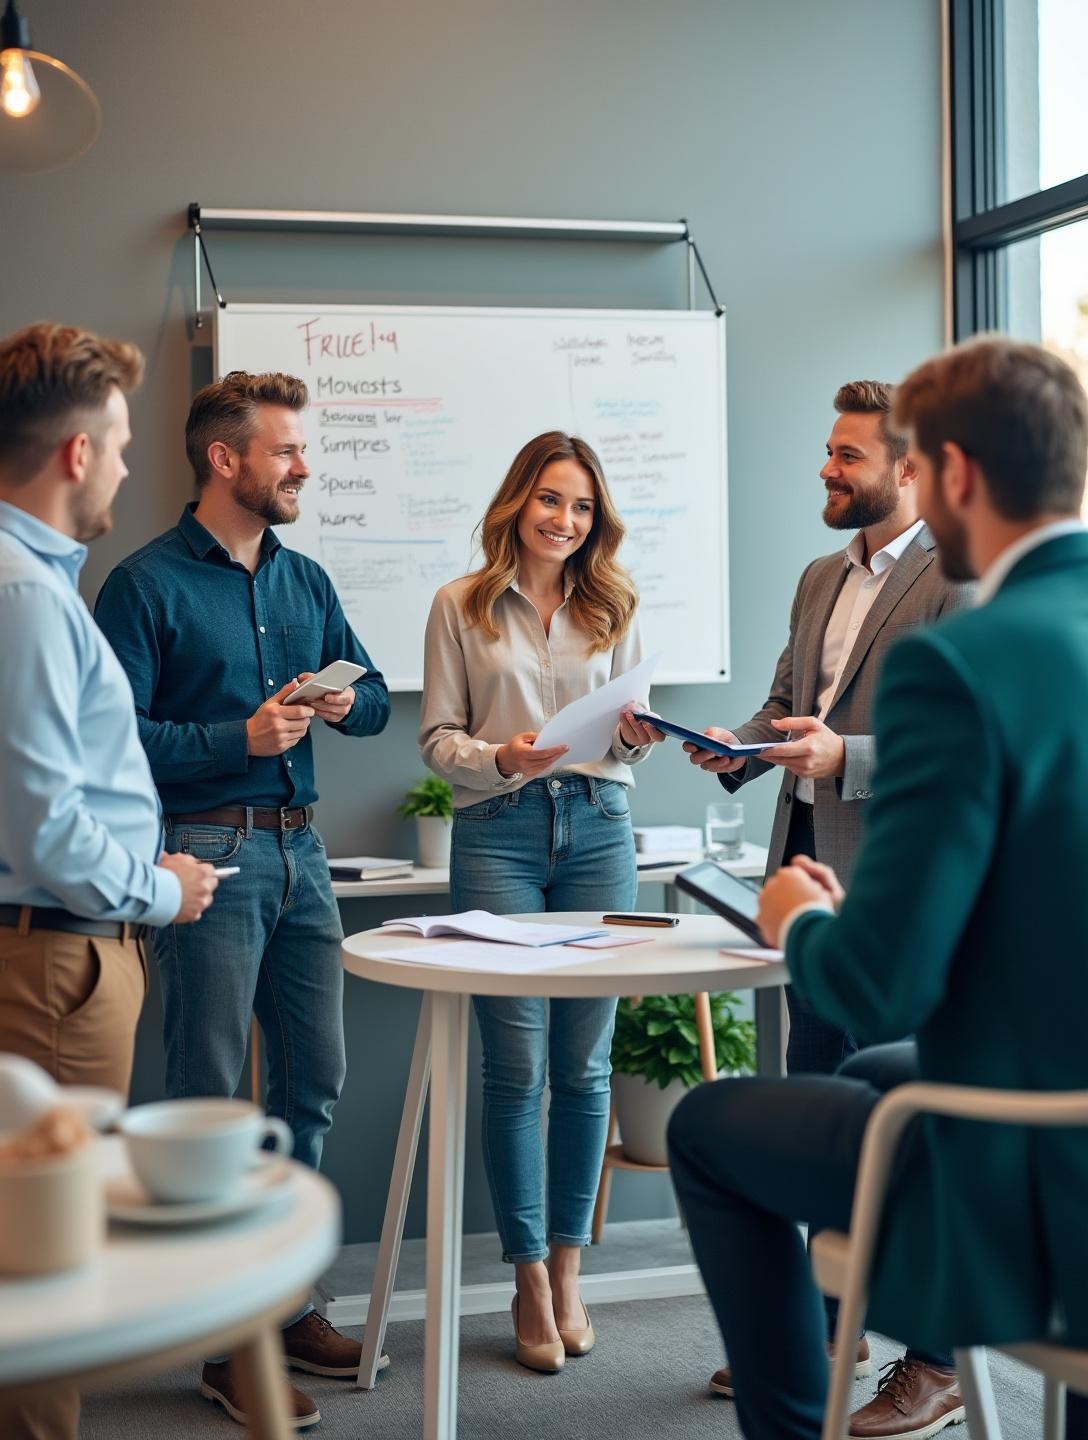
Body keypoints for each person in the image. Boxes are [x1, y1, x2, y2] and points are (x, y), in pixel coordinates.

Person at [669, 335, 1088, 1440]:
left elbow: (888, 977)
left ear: (941, 472)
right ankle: (831, 1332)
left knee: (709, 1126)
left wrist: (801, 921)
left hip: (1026, 1136)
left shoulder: (964, 661)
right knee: (859, 1064)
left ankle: (809, 1408)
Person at [94, 370, 391, 1429]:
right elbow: (114, 740)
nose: (304, 466)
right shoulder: (142, 586)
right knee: (209, 1099)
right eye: (286, 450)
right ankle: (221, 1339)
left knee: (312, 1082)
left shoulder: (304, 579)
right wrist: (239, 739)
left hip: (304, 857)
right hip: (204, 855)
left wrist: (349, 700)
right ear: (226, 459)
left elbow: (378, 704)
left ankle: (282, 1303)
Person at [686, 380, 971, 1430]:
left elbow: (959, 744)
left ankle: (933, 1360)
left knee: (909, 1120)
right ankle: (821, 1335)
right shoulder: (817, 577)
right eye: (825, 451)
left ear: (906, 470)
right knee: (824, 1103)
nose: (825, 468)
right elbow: (783, 703)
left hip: (899, 887)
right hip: (806, 876)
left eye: (846, 456)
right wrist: (726, 748)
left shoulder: (956, 579)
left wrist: (841, 754)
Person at [0, 322, 217, 1440]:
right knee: (44, 1278)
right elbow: (46, 832)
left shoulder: (30, 586)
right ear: (76, 453)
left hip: (57, 954)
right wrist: (161, 890)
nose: (131, 470)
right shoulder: (27, 600)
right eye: (123, 446)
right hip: (56, 966)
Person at [419, 430, 663, 1373]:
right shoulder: (460, 606)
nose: (566, 520)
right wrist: (501, 758)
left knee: (586, 1066)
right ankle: (525, 1275)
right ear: (519, 501)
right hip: (501, 834)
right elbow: (437, 737)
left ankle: (570, 1269)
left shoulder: (617, 604)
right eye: (552, 500)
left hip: (601, 827)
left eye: (584, 507)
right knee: (516, 1064)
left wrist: (637, 735)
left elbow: (630, 736)